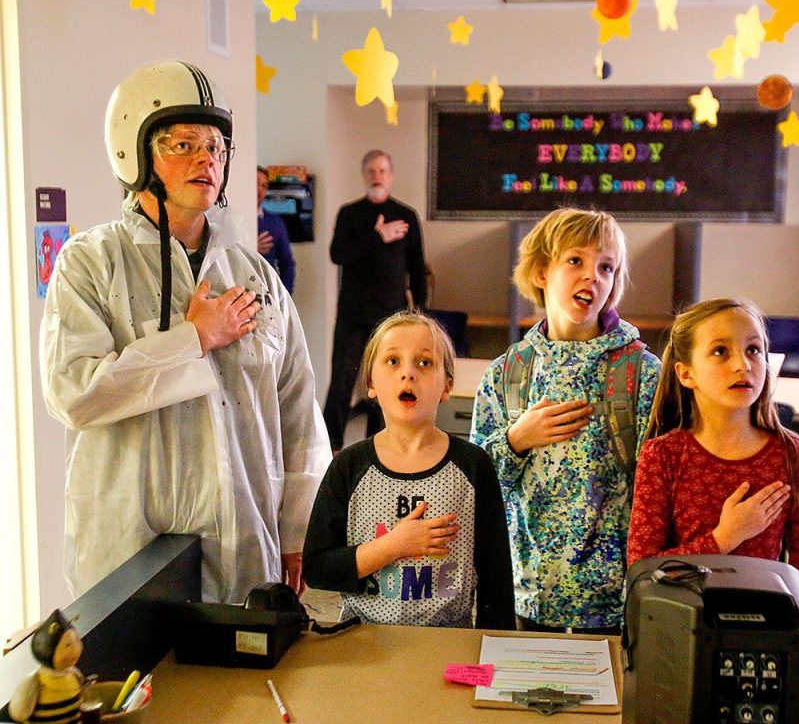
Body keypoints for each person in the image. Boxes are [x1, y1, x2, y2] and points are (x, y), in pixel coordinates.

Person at [40, 60, 330, 604]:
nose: (206, 159)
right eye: (183, 144)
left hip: (246, 547)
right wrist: (193, 339)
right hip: (128, 555)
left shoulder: (255, 275)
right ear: (135, 150)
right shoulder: (91, 263)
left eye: (217, 147)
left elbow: (298, 409)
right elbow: (73, 392)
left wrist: (298, 530)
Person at [470, 206, 661, 634]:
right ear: (541, 272)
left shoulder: (642, 372)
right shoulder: (507, 373)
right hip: (527, 595)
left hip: (616, 601)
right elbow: (477, 487)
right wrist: (517, 439)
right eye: (575, 260)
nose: (592, 275)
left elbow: (661, 487)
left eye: (606, 267)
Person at [303, 311, 515, 629]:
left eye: (424, 363)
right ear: (371, 383)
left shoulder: (473, 466)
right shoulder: (348, 467)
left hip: (449, 642)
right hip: (363, 639)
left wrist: (495, 656)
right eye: (392, 361)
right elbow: (318, 568)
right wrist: (393, 546)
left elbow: (495, 577)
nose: (408, 374)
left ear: (447, 386)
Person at [626, 298, 799, 616]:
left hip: (765, 627)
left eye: (753, 350)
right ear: (686, 374)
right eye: (721, 351)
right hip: (680, 627)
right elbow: (643, 570)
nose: (743, 365)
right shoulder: (663, 456)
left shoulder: (792, 455)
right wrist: (725, 537)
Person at [324, 150, 428, 451]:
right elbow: (338, 255)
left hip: (391, 319)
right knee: (342, 383)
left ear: (391, 175)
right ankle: (330, 447)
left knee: (385, 384)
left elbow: (417, 267)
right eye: (371, 171)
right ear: (364, 175)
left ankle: (377, 446)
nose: (376, 176)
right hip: (353, 316)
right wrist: (377, 236)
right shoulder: (349, 213)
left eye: (382, 171)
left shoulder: (406, 215)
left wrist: (421, 313)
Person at [8, 610, 84, 724]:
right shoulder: (35, 683)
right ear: (47, 649)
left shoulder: (74, 675)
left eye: (77, 641)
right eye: (68, 645)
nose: (76, 649)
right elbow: (18, 713)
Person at [257, 165, 296, 294]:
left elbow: (287, 264)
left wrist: (284, 297)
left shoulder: (275, 222)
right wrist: (252, 247)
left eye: (264, 186)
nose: (260, 189)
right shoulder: (230, 218)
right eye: (256, 183)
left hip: (267, 293)